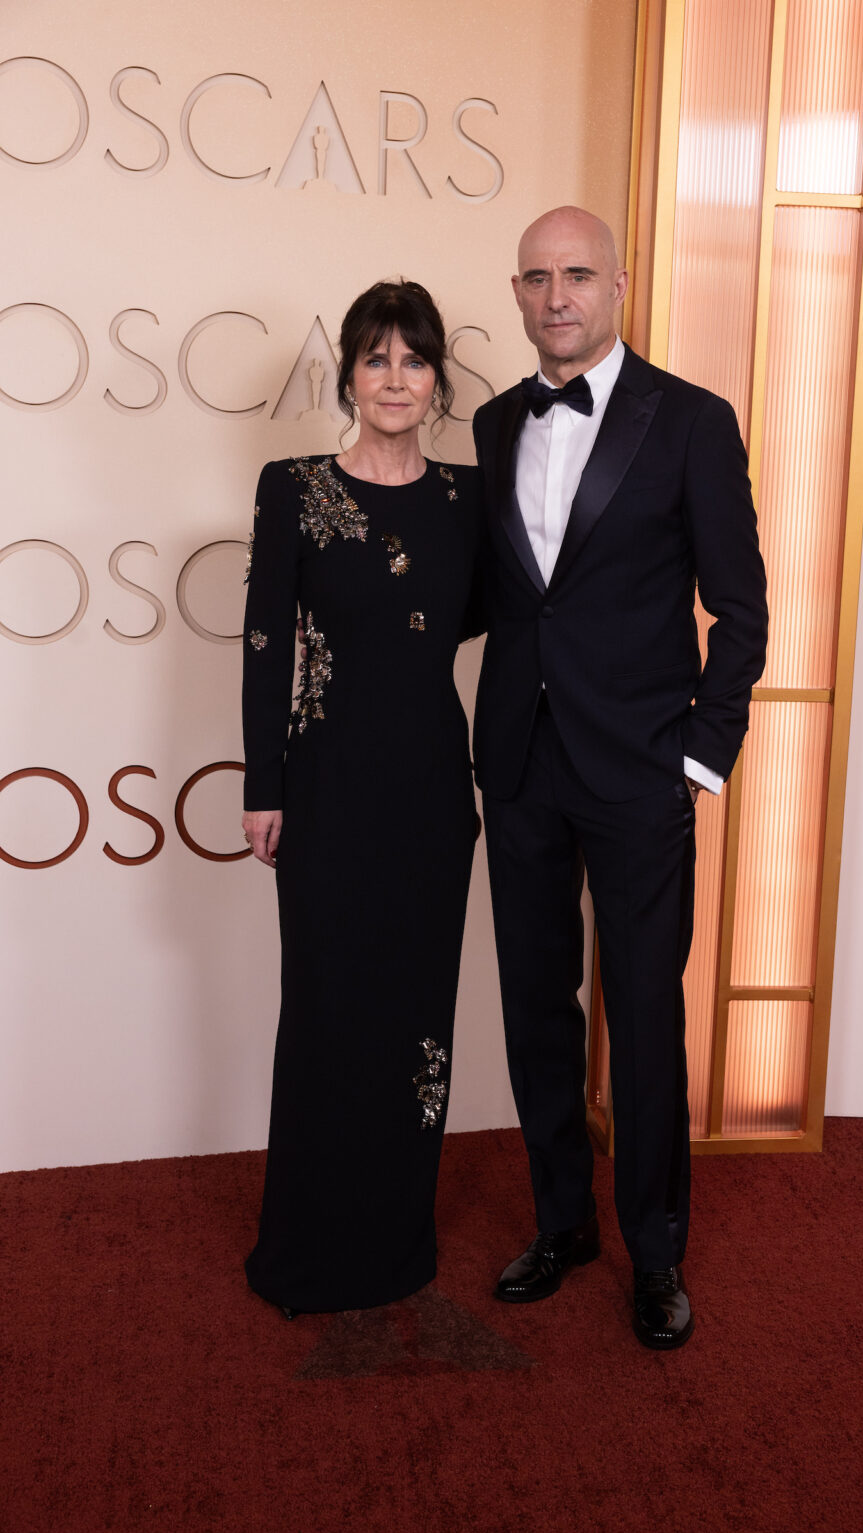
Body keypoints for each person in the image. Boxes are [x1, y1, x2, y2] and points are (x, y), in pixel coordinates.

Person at [472, 207, 768, 1349]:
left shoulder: (691, 421)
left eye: (578, 275)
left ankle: (655, 1252)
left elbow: (739, 608)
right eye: (538, 277)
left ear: (619, 287)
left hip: (642, 769)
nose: (557, 296)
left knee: (641, 1014)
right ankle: (561, 1224)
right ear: (516, 291)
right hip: (520, 762)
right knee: (534, 1008)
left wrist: (702, 750)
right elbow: (502, 599)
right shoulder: (498, 422)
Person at [241, 280, 481, 1316]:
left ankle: (395, 1241)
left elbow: (500, 620)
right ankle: (310, 1246)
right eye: (376, 358)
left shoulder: (468, 498)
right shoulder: (292, 487)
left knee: (417, 1015)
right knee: (327, 1013)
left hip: (432, 792)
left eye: (413, 359)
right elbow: (262, 646)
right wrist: (262, 785)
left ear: (435, 379)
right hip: (327, 787)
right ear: (347, 371)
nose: (394, 378)